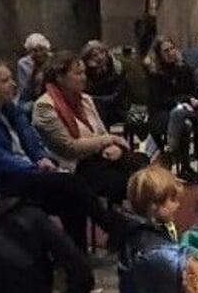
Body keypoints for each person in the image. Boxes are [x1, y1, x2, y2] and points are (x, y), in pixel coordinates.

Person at [0, 60, 103, 293]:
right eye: (4, 80)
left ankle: (77, 275)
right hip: (5, 181)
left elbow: (31, 142)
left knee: (72, 200)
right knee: (72, 184)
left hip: (30, 175)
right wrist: (32, 166)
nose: (13, 84)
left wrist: (41, 158)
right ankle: (112, 230)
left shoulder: (11, 110)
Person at [32, 50, 146, 204]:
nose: (84, 78)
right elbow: (70, 148)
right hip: (74, 167)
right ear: (60, 77)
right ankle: (124, 221)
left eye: (84, 73)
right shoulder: (45, 106)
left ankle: (141, 219)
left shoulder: (85, 99)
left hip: (98, 156)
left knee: (141, 164)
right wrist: (107, 140)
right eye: (78, 74)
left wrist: (113, 146)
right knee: (122, 181)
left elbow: (101, 132)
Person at [107, 165, 184, 293]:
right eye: (172, 200)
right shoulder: (148, 244)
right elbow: (171, 290)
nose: (178, 205)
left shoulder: (140, 231)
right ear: (153, 206)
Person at [143, 37, 198, 171]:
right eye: (166, 50)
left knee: (181, 114)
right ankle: (183, 164)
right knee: (182, 123)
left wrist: (188, 100)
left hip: (187, 109)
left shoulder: (184, 69)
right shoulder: (155, 74)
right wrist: (184, 99)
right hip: (162, 111)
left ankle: (169, 152)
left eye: (172, 49)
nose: (170, 53)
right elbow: (160, 100)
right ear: (159, 55)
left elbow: (194, 91)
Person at [81, 41, 126, 126]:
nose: (100, 57)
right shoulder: (86, 72)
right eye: (95, 55)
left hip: (116, 107)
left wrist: (94, 99)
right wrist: (95, 73)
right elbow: (86, 92)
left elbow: (117, 95)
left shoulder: (116, 69)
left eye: (102, 53)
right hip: (94, 107)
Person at [14, 33, 52, 105]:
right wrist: (34, 71)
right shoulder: (23, 63)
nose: (39, 53)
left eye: (41, 49)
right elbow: (24, 91)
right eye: (34, 50)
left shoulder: (54, 60)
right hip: (30, 99)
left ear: (47, 49)